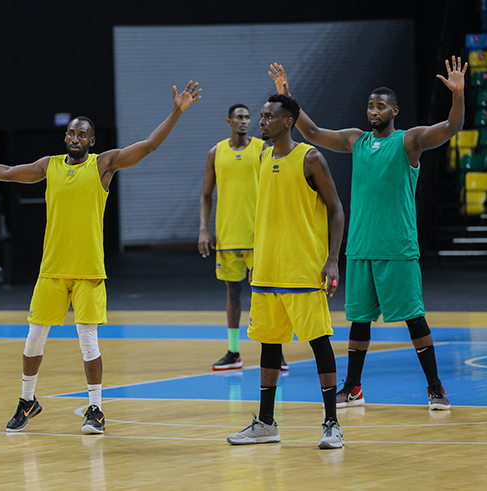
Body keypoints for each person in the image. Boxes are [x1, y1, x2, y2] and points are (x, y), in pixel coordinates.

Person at [0, 81, 202, 435]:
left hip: (89, 269)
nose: (74, 138)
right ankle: (27, 400)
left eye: (82, 134)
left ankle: (96, 409)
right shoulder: (50, 166)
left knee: (88, 340)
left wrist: (176, 112)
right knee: (34, 339)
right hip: (52, 269)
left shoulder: (103, 164)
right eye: (70, 133)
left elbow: (149, 145)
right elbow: (8, 173)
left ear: (92, 141)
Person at [268, 57, 467, 410]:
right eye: (370, 106)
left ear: (395, 110)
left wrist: (458, 94)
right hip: (359, 247)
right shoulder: (355, 140)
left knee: (414, 318)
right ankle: (353, 387)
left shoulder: (410, 141)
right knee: (359, 322)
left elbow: (452, 127)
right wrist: (288, 97)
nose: (373, 111)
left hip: (397, 246)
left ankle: (435, 388)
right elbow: (311, 133)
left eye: (380, 106)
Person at [226, 94, 345, 449]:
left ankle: (332, 423)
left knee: (319, 343)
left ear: (287, 122)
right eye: (261, 116)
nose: (261, 122)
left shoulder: (310, 158)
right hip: (267, 269)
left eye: (268, 117)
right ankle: (265, 423)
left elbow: (337, 210)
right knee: (269, 345)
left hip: (303, 269)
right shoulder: (263, 156)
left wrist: (333, 259)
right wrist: (258, 258)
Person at [198, 104, 288, 371]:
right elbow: (205, 195)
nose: (245, 121)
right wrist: (204, 229)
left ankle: (276, 351)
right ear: (229, 121)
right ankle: (234, 352)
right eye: (239, 117)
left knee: (268, 295)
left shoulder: (262, 149)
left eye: (248, 117)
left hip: (259, 235)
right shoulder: (216, 152)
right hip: (228, 235)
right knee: (232, 293)